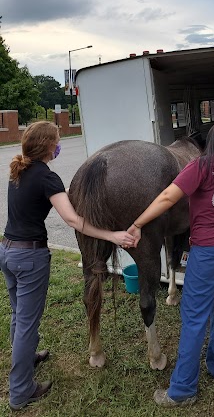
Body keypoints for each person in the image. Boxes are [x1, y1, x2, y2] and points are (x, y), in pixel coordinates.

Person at [0, 121, 135, 411]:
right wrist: (112, 235)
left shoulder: (19, 170)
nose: (60, 144)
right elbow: (74, 220)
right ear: (49, 146)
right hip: (29, 259)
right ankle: (21, 390)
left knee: (18, 314)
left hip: (8, 252)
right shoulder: (47, 178)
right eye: (58, 140)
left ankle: (29, 356)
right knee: (26, 323)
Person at [128, 117, 214, 407]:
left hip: (210, 253)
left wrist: (137, 223)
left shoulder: (202, 166)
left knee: (194, 318)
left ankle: (182, 390)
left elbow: (169, 196)